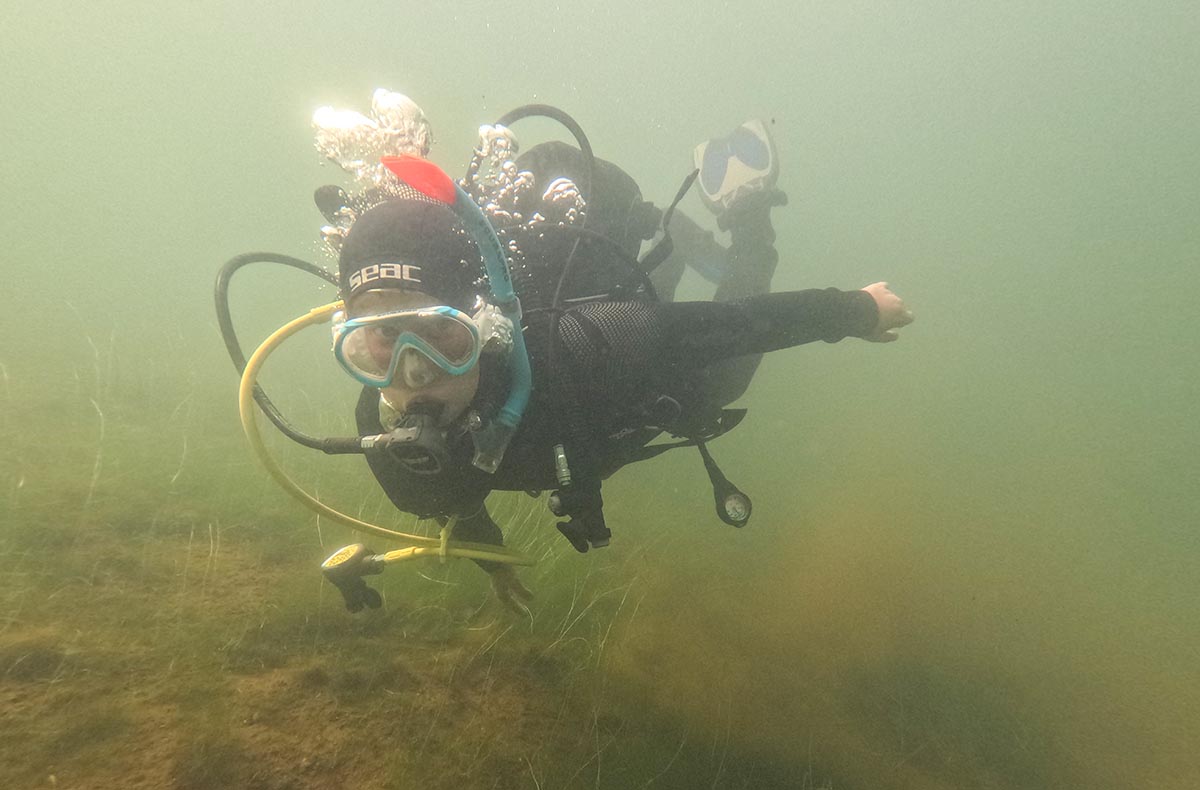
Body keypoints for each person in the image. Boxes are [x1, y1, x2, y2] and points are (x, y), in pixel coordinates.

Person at [318, 99, 913, 608]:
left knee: (720, 381)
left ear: (485, 327)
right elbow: (455, 497)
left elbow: (730, 325)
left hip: (624, 372)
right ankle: (668, 258)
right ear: (356, 342)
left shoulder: (580, 345)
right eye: (384, 340)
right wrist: (494, 563)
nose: (414, 373)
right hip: (603, 396)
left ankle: (746, 212)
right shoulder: (382, 424)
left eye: (441, 334)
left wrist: (855, 310)